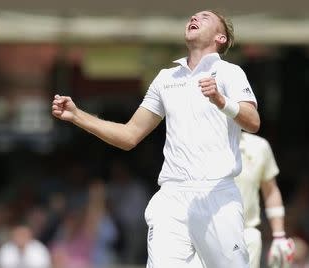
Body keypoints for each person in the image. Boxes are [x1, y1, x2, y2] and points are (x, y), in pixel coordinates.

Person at [52, 9, 260, 268]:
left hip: (216, 193)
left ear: (221, 38)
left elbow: (253, 122)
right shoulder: (165, 79)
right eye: (192, 17)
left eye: (205, 17)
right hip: (172, 196)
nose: (194, 19)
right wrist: (77, 115)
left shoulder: (230, 73)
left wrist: (221, 101)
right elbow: (129, 135)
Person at [235, 132, 295, 268]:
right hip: (203, 233)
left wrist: (279, 236)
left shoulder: (259, 146)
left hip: (246, 233)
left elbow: (271, 190)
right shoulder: (195, 141)